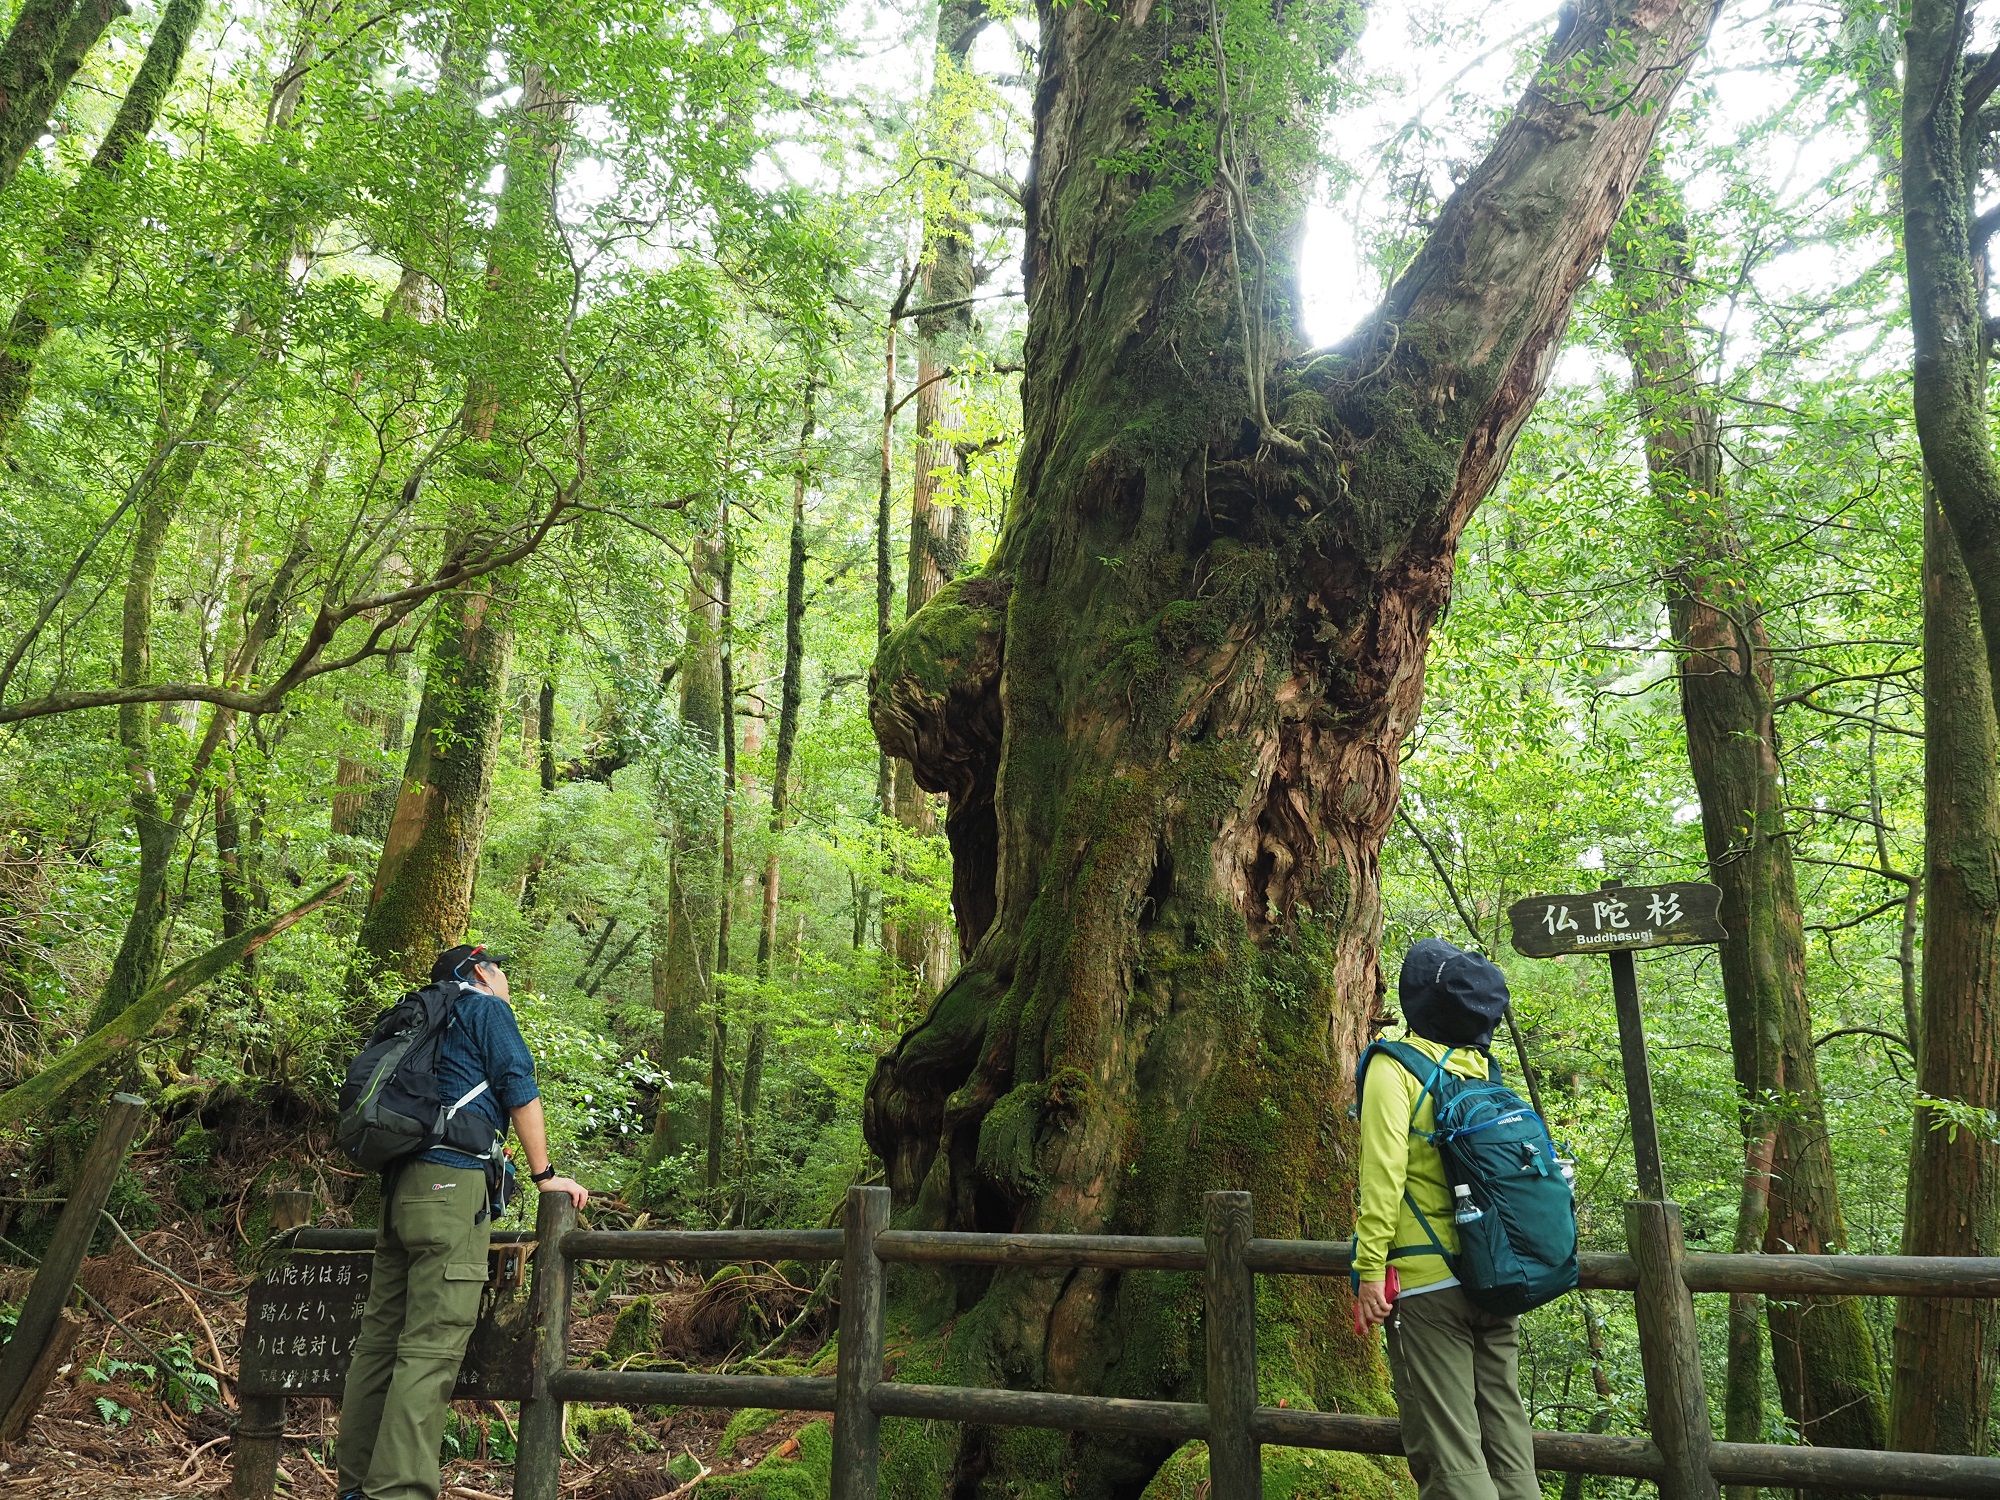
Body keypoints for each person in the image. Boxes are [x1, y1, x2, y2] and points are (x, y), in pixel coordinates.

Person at [337, 944, 589, 1500]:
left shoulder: (417, 1013)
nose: (504, 978)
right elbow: (519, 1090)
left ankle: (355, 1486)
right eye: (500, 968)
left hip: (399, 1188)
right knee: (430, 1347)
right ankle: (398, 1492)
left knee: (379, 1342)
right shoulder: (484, 1009)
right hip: (451, 1191)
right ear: (480, 971)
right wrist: (546, 1175)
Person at [1352, 937, 1538, 1500]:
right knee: (1508, 1441)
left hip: (1427, 1284)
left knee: (1449, 1452)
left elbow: (1382, 1179)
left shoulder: (1395, 1068)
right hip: (1495, 1273)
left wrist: (1367, 1271)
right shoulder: (1483, 1068)